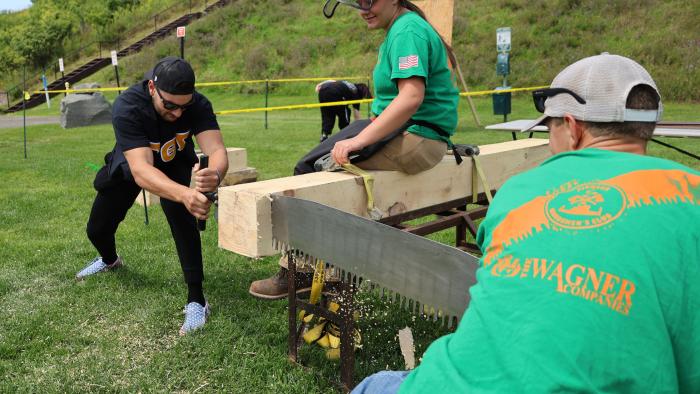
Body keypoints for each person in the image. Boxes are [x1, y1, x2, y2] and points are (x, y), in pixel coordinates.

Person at [353, 53, 700, 393]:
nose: (550, 144)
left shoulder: (519, 190)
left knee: (376, 385)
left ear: (573, 128)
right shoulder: (691, 196)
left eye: (550, 131)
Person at [248, 0, 460, 300]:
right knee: (321, 161)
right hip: (420, 133)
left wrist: (358, 141)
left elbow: (411, 97)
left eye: (369, 1)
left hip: (418, 138)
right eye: (356, 3)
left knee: (313, 172)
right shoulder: (403, 26)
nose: (363, 10)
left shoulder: (407, 30)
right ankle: (333, 256)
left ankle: (302, 269)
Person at [76, 56, 229, 336]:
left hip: (174, 162)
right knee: (96, 229)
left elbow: (217, 149)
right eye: (169, 105)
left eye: (185, 106)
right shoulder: (128, 105)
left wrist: (215, 174)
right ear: (151, 89)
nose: (178, 113)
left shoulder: (197, 104)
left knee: (183, 222)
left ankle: (197, 299)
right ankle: (109, 260)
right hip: (134, 163)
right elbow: (142, 171)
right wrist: (185, 193)